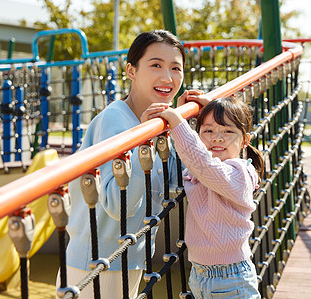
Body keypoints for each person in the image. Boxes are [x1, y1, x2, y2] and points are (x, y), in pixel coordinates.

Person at [58, 30, 204, 299]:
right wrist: (145, 144)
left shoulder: (156, 123)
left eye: (176, 68)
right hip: (95, 265)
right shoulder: (116, 120)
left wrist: (191, 125)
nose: (167, 78)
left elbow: (173, 182)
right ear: (131, 71)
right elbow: (118, 205)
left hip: (127, 259)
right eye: (156, 65)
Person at [157, 96, 264, 298]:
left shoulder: (240, 173)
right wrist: (190, 117)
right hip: (199, 274)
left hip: (231, 278)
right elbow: (193, 156)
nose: (217, 138)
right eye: (209, 131)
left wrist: (176, 119)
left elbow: (202, 163)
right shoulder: (204, 169)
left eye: (228, 131)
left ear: (245, 140)